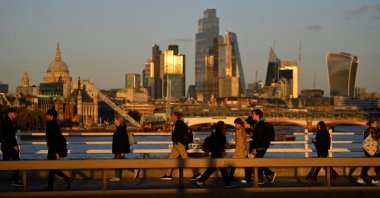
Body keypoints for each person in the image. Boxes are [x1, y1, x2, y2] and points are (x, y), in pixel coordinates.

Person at [160, 112, 200, 180]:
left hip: (179, 144)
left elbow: (179, 134)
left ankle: (196, 173)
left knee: (185, 159)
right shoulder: (178, 123)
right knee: (171, 158)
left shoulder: (179, 123)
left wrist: (177, 141)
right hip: (177, 144)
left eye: (172, 116)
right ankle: (168, 174)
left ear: (175, 116)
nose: (171, 117)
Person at [195, 121, 233, 187]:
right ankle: (227, 183)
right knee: (222, 169)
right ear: (221, 127)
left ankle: (201, 181)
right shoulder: (221, 135)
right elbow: (222, 144)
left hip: (214, 153)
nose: (225, 127)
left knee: (213, 168)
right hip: (218, 153)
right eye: (224, 126)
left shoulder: (214, 133)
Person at [44, 109, 72, 191]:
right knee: (52, 168)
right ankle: (52, 186)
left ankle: (66, 178)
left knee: (51, 167)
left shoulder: (50, 124)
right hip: (52, 149)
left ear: (51, 116)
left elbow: (55, 139)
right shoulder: (54, 124)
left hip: (53, 150)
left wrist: (56, 152)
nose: (46, 116)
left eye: (47, 115)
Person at [251, 109, 276, 184]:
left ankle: (266, 176)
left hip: (260, 146)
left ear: (257, 115)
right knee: (259, 161)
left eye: (253, 114)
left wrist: (254, 148)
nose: (252, 115)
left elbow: (258, 138)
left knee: (258, 161)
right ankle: (265, 176)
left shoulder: (259, 124)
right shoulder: (258, 124)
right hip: (263, 145)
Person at [0, 108, 22, 187]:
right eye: (15, 113)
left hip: (9, 146)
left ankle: (15, 180)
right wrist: (14, 146)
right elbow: (7, 136)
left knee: (15, 162)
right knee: (6, 164)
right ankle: (15, 180)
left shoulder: (11, 122)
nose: (16, 115)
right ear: (10, 113)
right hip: (9, 147)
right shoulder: (5, 122)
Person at [356, 118, 380, 186]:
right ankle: (374, 179)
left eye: (376, 123)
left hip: (372, 149)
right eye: (375, 123)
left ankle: (375, 178)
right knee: (368, 163)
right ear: (371, 124)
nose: (376, 124)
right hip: (369, 149)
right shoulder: (370, 130)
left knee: (369, 163)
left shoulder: (374, 129)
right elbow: (373, 138)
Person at [109, 116, 131, 182]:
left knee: (117, 163)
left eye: (115, 120)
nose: (114, 121)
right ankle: (134, 168)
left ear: (118, 121)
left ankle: (117, 177)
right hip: (118, 149)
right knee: (120, 162)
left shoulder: (120, 129)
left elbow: (122, 141)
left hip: (119, 149)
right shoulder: (120, 128)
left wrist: (122, 151)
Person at [229, 118, 247, 182]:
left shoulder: (244, 130)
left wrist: (246, 151)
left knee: (246, 164)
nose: (235, 126)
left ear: (240, 124)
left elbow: (246, 141)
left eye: (236, 124)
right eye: (235, 124)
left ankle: (247, 178)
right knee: (234, 163)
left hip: (242, 150)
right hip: (238, 150)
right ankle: (230, 177)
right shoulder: (236, 131)